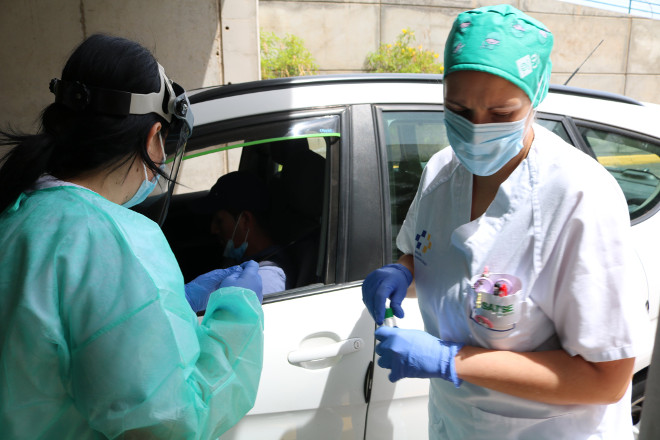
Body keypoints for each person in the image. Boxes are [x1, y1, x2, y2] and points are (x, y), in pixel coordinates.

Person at [362, 5, 649, 439]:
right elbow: (434, 257)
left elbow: (606, 379)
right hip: (456, 424)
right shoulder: (441, 171)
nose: (476, 129)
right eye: (458, 109)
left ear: (536, 98)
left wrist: (452, 361)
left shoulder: (580, 197)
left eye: (501, 114)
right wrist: (402, 272)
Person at [0, 34, 264, 439]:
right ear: (153, 136)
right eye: (165, 143)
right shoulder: (112, 241)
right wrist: (237, 317)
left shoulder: (17, 213)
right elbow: (170, 425)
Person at [204, 170, 295, 294]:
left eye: (219, 221)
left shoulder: (267, 277)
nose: (213, 229)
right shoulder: (246, 261)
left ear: (245, 220)